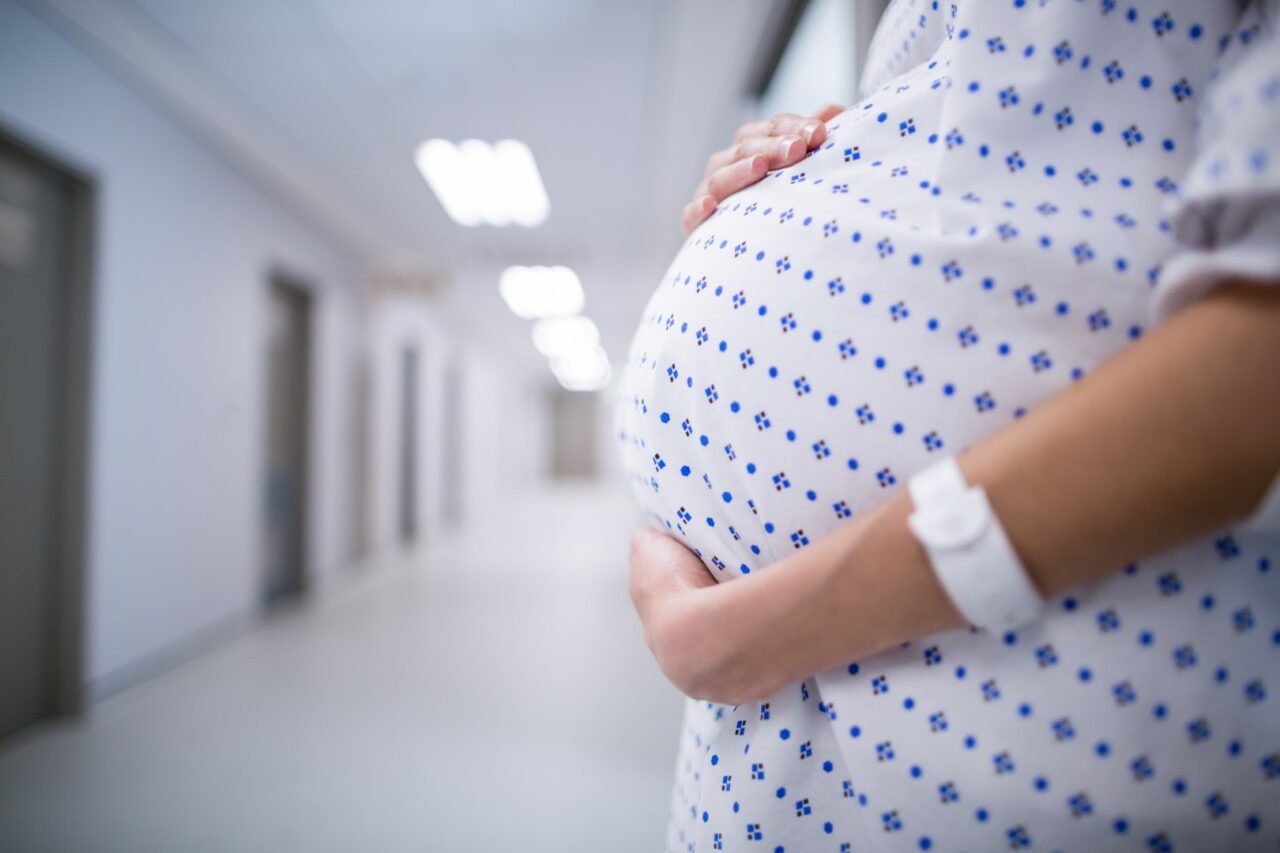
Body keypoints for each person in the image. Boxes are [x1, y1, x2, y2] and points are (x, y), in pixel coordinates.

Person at [614, 1, 1280, 850]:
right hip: (774, 755)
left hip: (1034, 722)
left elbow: (1252, 373)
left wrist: (743, 636)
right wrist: (820, 156)